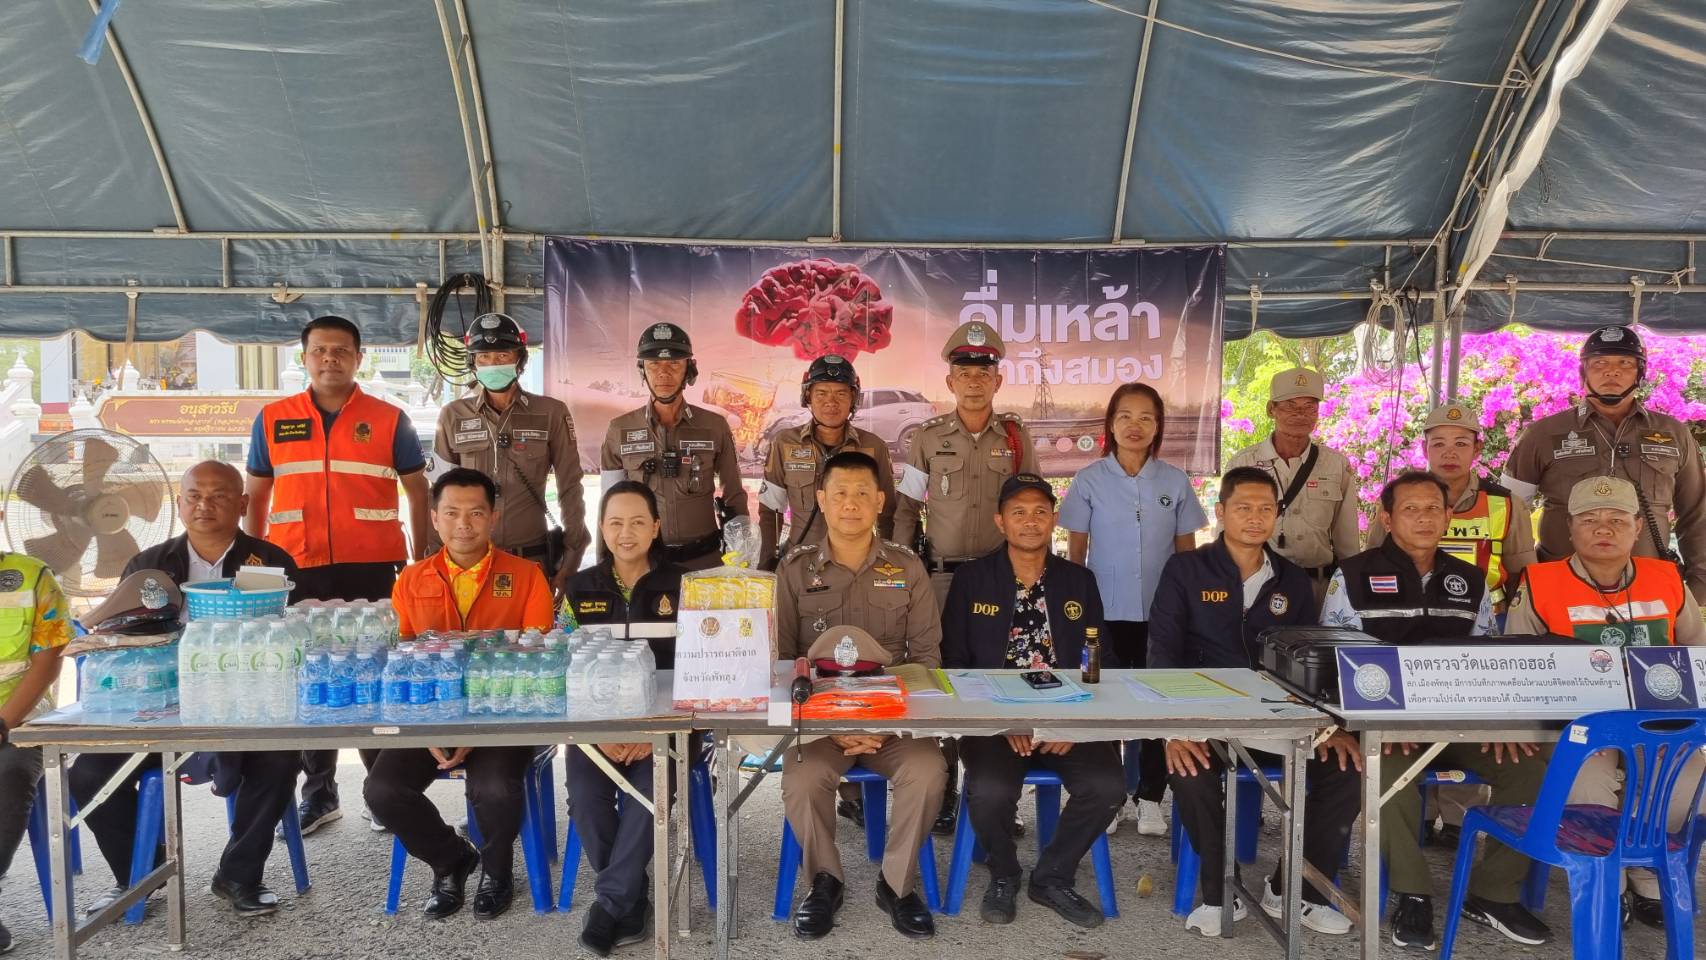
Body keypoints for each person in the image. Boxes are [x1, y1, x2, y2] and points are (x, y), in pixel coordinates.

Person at [1322, 471, 1551, 950]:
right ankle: (1413, 893)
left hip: (1460, 723)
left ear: (1448, 516)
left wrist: (1501, 722)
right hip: (1388, 726)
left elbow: (1488, 658)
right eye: (1410, 509)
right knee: (1386, 774)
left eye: (1433, 509)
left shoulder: (1469, 580)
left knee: (1532, 770)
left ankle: (1493, 893)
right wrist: (1381, 721)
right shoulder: (1354, 575)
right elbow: (1334, 661)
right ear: (1387, 519)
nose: (1424, 518)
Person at [70, 462, 304, 918]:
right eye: (194, 496)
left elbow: (293, 632)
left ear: (242, 503)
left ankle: (239, 875)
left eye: (219, 495)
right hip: (161, 704)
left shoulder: (270, 562)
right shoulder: (148, 565)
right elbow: (124, 636)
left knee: (279, 760)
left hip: (245, 702)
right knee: (87, 774)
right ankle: (139, 871)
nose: (204, 505)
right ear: (179, 503)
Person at [1148, 467, 1357, 938]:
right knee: (1189, 770)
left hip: (1276, 721)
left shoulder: (1292, 579)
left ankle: (1295, 889)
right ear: (1221, 512)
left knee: (1346, 766)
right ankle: (1223, 891)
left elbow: (1308, 662)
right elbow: (1162, 651)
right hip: (1206, 717)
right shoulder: (1186, 570)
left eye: (1266, 508)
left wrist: (1326, 727)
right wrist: (1175, 728)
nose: (1255, 517)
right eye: (1243, 507)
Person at [245, 314, 432, 833]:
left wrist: (421, 557)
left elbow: (418, 490)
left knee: (376, 669)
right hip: (295, 566)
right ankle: (320, 792)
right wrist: (255, 563)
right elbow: (256, 494)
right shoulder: (273, 418)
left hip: (372, 565)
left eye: (341, 350)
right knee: (310, 674)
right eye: (320, 350)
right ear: (304, 357)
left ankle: (382, 791)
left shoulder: (389, 418)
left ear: (359, 358)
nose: (330, 359)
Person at [1505, 475, 1706, 928]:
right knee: (1587, 780)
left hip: (1657, 726)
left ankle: (1646, 874)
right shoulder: (1539, 581)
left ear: (1638, 526)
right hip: (1577, 727)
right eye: (1589, 519)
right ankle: (1607, 883)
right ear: (1569, 528)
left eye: (1617, 519)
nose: (1603, 528)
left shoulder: (1667, 579)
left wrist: (1682, 728)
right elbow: (1518, 666)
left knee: (1690, 778)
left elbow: (1697, 655)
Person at [364, 468, 552, 920]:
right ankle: (450, 858)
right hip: (430, 717)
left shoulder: (526, 576)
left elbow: (538, 663)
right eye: (451, 513)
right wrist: (431, 727)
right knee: (382, 790)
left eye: (475, 513)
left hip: (504, 714)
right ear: (434, 518)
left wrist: (476, 728)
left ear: (493, 517)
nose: (463, 524)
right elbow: (403, 663)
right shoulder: (411, 580)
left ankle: (497, 871)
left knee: (494, 788)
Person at [777, 451, 947, 940]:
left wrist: (880, 723)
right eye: (840, 493)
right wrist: (835, 725)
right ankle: (824, 881)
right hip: (821, 724)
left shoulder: (907, 566)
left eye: (861, 494)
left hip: (891, 723)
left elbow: (926, 660)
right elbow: (784, 662)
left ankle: (896, 884)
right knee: (802, 777)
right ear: (821, 500)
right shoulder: (795, 570)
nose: (850, 504)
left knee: (928, 769)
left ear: (879, 502)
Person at [941, 473, 1123, 928]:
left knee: (1107, 787)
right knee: (989, 791)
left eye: (1040, 512)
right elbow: (955, 665)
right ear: (1000, 521)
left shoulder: (1078, 580)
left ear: (1053, 520)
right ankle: (1004, 872)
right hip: (995, 720)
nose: (1030, 521)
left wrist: (1073, 724)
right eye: (1018, 512)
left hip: (1067, 716)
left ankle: (1052, 876)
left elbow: (1101, 659)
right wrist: (1004, 722)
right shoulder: (972, 579)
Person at [1367, 401, 1537, 845]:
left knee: (1468, 717)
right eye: (1438, 443)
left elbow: (1523, 570)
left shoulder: (1504, 502)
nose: (1449, 452)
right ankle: (1420, 816)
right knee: (1413, 723)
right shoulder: (1399, 497)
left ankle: (1459, 821)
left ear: (1477, 449)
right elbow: (1372, 561)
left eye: (1461, 443)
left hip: (1480, 626)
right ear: (1424, 448)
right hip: (1407, 626)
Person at [892, 320, 1037, 834]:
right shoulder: (928, 437)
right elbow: (907, 508)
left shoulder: (1015, 437)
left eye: (983, 372)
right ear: (950, 381)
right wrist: (903, 569)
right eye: (964, 372)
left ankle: (998, 796)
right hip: (942, 579)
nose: (974, 381)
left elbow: (1031, 502)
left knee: (1001, 676)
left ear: (998, 380)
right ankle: (946, 790)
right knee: (945, 680)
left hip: (1002, 578)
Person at [1059, 381, 1206, 837]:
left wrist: (1188, 610)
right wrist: (1075, 610)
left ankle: (1150, 796)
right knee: (1102, 699)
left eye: (1146, 417)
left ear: (1158, 426)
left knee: (1156, 701)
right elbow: (1075, 556)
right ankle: (1110, 796)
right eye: (1125, 416)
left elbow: (1186, 555)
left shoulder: (1174, 481)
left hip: (1161, 615)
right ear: (1110, 423)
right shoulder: (1089, 480)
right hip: (1103, 611)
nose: (1135, 425)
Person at [562, 481, 686, 955]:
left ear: (656, 527)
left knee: (647, 795)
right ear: (602, 528)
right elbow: (564, 670)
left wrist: (653, 732)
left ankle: (611, 904)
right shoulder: (578, 589)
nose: (626, 533)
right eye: (615, 523)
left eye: (637, 522)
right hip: (596, 730)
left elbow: (702, 669)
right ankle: (629, 897)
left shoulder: (686, 587)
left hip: (667, 727)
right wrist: (599, 736)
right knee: (585, 798)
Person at [1502, 324, 1706, 601]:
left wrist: (1699, 585)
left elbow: (1696, 512)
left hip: (1650, 589)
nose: (1612, 371)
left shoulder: (1673, 433)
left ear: (1640, 372)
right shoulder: (1543, 433)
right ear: (1583, 372)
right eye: (1599, 363)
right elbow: (1509, 512)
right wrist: (1522, 580)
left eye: (1625, 363)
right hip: (1560, 587)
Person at [433, 312, 590, 590]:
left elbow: (570, 487)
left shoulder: (550, 413)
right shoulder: (453, 415)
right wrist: (433, 559)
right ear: (473, 363)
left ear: (520, 360)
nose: (493, 364)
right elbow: (437, 494)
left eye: (502, 355)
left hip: (531, 560)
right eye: (484, 357)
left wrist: (570, 560)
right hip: (467, 562)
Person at [599, 322, 749, 571]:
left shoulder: (714, 426)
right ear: (642, 370)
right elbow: (609, 505)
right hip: (643, 567)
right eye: (654, 364)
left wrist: (742, 561)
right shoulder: (619, 430)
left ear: (689, 370)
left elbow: (734, 495)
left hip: (704, 564)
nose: (663, 373)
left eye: (674, 364)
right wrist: (604, 566)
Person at [1225, 367, 1361, 608]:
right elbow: (1227, 531)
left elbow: (1347, 539)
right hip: (1258, 585)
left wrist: (1351, 588)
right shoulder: (1244, 462)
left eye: (1310, 407)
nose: (1301, 414)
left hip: (1317, 588)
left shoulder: (1336, 465)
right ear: (1271, 409)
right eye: (1290, 406)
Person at [758, 354, 896, 568]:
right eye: (821, 393)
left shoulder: (873, 447)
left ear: (853, 399)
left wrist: (889, 564)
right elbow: (770, 512)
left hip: (857, 566)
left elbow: (888, 514)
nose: (831, 402)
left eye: (841, 393)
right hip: (800, 566)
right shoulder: (785, 443)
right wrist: (767, 565)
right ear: (808, 397)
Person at [0, 551, 71, 955]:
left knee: (7, 774)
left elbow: (47, 663)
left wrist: (2, 724)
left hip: (19, 720)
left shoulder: (32, 577)